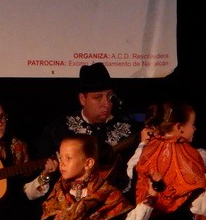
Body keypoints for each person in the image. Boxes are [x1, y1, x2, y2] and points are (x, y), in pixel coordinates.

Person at [34, 62, 140, 192]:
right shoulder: (60, 128)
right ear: (82, 99)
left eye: (109, 96)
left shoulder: (129, 129)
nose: (106, 104)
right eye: (98, 97)